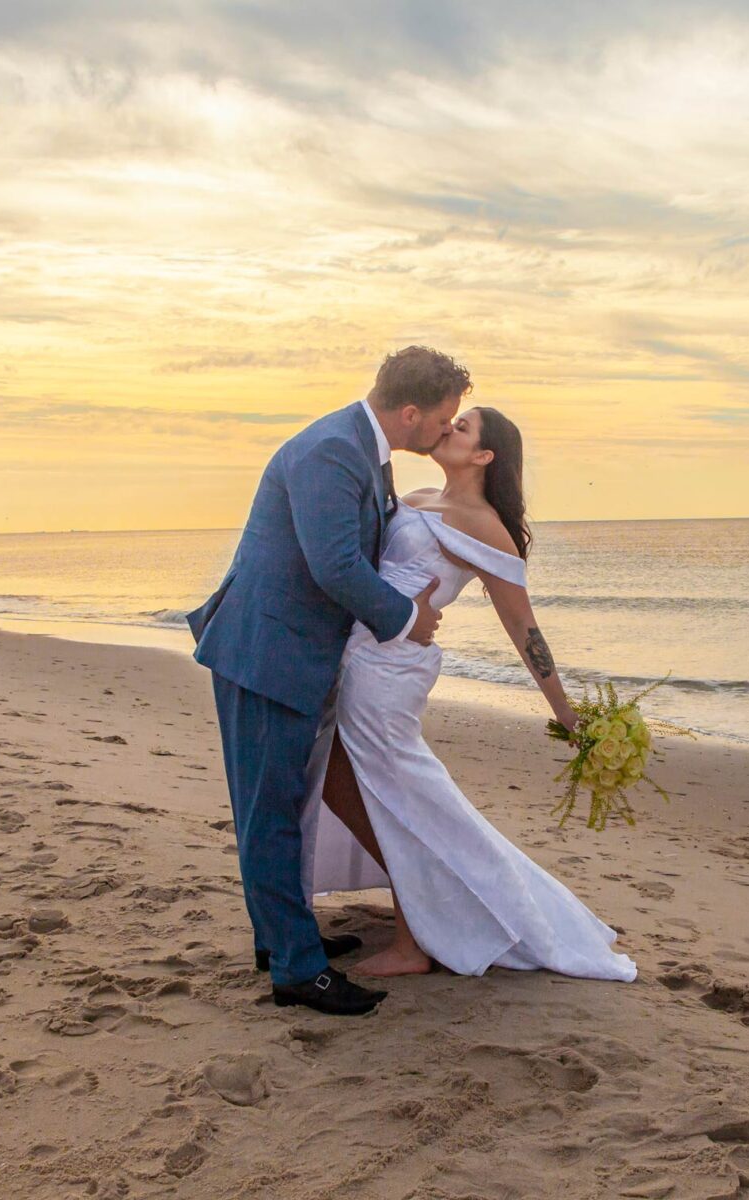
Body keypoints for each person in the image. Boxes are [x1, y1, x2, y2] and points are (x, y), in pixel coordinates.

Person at [302, 406, 636, 983]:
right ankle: (433, 899)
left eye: (464, 428)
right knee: (340, 781)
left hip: (390, 672)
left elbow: (522, 626)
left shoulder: (483, 524)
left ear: (484, 456)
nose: (449, 428)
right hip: (356, 653)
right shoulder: (419, 494)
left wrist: (566, 712)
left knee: (400, 797)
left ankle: (414, 941)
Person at [188, 346, 462, 1016]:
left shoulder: (363, 451)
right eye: (444, 419)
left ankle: (283, 940)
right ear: (410, 412)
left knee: (285, 806)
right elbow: (335, 565)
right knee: (272, 814)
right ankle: (296, 972)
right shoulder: (333, 451)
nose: (447, 431)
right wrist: (408, 620)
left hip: (294, 654)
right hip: (268, 653)